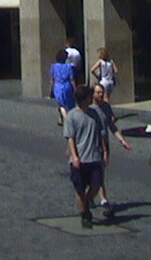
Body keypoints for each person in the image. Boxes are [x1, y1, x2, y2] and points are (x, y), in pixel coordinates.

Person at [63, 84, 107, 229]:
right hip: (80, 159)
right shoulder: (72, 116)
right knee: (80, 190)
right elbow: (70, 138)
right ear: (84, 99)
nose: (92, 98)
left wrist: (104, 152)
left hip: (94, 157)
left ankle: (86, 203)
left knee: (95, 186)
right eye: (90, 96)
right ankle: (85, 215)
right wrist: (74, 157)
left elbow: (101, 133)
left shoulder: (95, 113)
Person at [90, 82, 131, 216]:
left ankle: (92, 195)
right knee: (96, 173)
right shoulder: (88, 108)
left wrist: (122, 140)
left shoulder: (106, 107)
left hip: (104, 145)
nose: (101, 95)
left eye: (102, 92)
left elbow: (112, 126)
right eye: (98, 92)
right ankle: (103, 200)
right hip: (91, 145)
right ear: (92, 94)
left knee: (99, 172)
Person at [50, 49, 76, 125]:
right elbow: (72, 79)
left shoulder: (53, 66)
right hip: (67, 85)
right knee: (68, 103)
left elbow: (52, 80)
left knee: (61, 104)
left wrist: (51, 89)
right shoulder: (69, 67)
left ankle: (67, 120)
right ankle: (60, 119)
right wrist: (75, 88)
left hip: (58, 86)